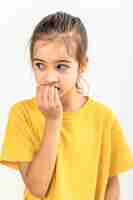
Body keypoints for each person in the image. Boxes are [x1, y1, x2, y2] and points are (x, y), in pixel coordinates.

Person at [0, 11, 133, 200]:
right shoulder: (22, 114)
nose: (49, 77)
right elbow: (38, 188)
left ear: (82, 65)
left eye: (61, 66)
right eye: (40, 65)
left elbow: (112, 184)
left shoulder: (104, 117)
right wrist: (53, 121)